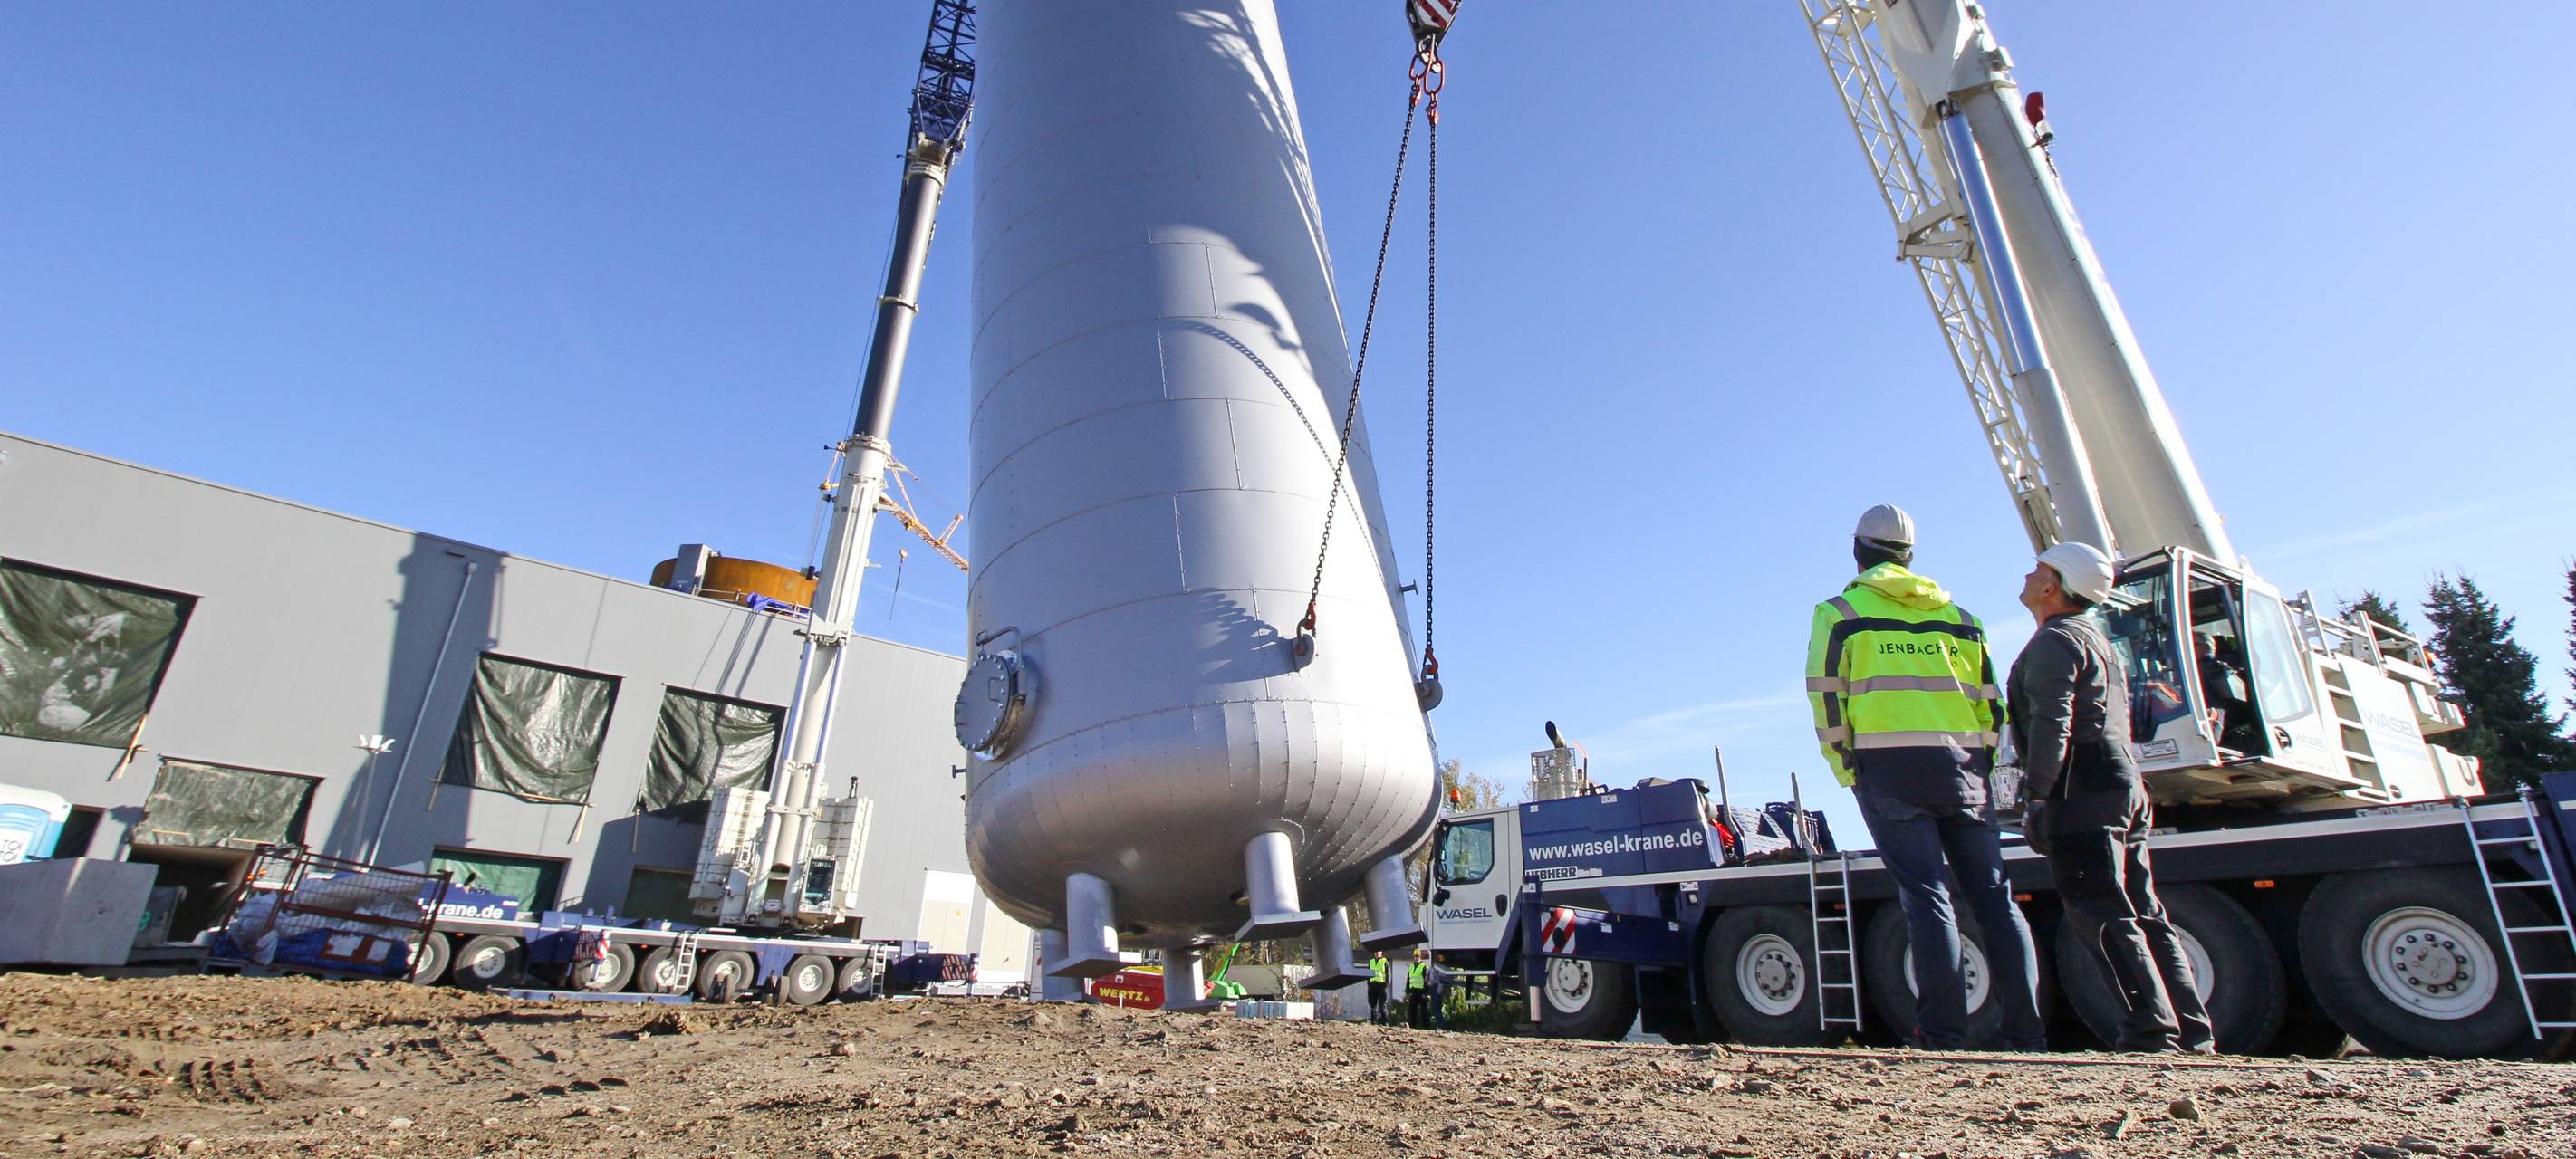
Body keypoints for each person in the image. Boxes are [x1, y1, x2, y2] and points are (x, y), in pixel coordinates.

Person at [1806, 504, 2044, 1050]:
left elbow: (1826, 696)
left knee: (1927, 897)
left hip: (1890, 770)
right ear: (1910, 556)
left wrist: (1846, 766)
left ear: (1859, 550)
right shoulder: (1962, 620)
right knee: (1994, 897)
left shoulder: (1838, 613)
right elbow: (1992, 705)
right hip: (1962, 769)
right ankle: (2028, 1034)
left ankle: (1944, 1034)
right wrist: (1980, 762)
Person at [2011, 541, 2216, 1054]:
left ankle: (2150, 1033)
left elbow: (2052, 723)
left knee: (2101, 913)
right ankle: (2191, 1031)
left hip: (2081, 790)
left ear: (2052, 586)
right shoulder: (2098, 642)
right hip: (2123, 784)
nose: (2028, 574)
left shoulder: (2055, 643)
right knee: (2144, 911)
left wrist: (2037, 795)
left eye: (2037, 569)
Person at [1405, 951, 1433, 1029]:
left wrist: (1425, 993)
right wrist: (1407, 990)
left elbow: (1427, 981)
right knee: (1412, 1010)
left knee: (1424, 1010)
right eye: (1415, 956)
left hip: (1421, 991)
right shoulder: (1411, 966)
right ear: (1413, 957)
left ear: (1420, 957)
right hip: (1413, 991)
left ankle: (1426, 1027)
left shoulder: (1424, 967)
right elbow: (1409, 979)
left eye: (1418, 956)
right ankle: (1413, 1026)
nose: (1417, 958)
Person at [1367, 949, 1390, 1024]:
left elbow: (1388, 975)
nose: (1377, 953)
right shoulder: (1371, 962)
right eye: (1375, 952)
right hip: (1372, 986)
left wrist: (1386, 985)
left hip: (1381, 985)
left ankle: (1385, 1022)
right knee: (1373, 1005)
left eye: (1378, 952)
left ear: (1381, 952)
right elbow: (1368, 974)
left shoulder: (1384, 961)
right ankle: (1373, 1022)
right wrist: (1369, 984)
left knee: (1382, 1005)